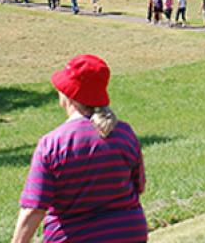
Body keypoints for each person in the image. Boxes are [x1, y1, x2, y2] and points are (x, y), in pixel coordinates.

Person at [11, 55, 148, 243]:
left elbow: (33, 209)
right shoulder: (125, 134)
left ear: (69, 94)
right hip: (129, 234)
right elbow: (139, 186)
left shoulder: (52, 144)